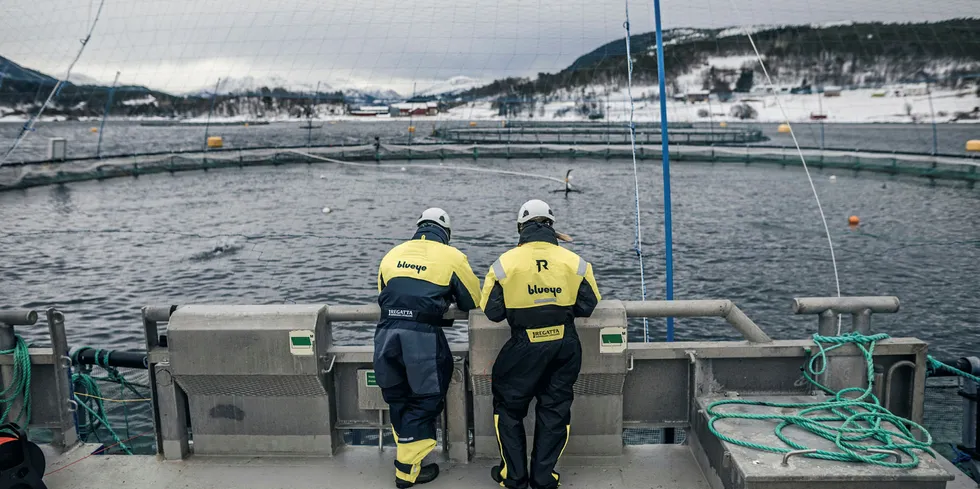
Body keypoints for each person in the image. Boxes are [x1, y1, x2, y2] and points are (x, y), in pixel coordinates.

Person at [480, 199, 601, 489]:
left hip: (523, 345)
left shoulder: (503, 264)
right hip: (564, 344)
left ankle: (514, 476)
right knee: (555, 409)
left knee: (509, 410)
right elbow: (587, 305)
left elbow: (493, 312)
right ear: (551, 226)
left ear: (520, 228)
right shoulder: (576, 262)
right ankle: (544, 478)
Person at [374, 207, 482, 488]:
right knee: (426, 399)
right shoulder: (453, 256)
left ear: (419, 227)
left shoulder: (392, 254)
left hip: (386, 335)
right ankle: (407, 471)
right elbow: (473, 299)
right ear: (445, 233)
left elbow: (383, 294)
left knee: (397, 396)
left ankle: (410, 457)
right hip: (420, 338)